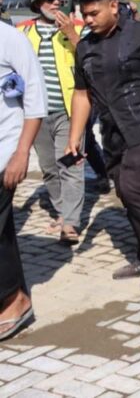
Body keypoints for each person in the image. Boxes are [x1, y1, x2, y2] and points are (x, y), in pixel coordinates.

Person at [66, 0, 140, 290]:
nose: (87, 20)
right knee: (129, 195)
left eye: (93, 13)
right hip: (113, 134)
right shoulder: (85, 46)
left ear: (114, 6)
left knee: (134, 189)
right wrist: (75, 137)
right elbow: (82, 94)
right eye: (84, 14)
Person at [16, 0, 85, 244]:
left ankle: (70, 222)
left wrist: (71, 34)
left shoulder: (78, 28)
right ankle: (61, 210)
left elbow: (91, 59)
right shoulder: (23, 31)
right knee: (49, 167)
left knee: (70, 165)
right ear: (38, 3)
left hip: (70, 112)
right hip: (36, 115)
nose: (57, 2)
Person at [0, 23, 46, 341]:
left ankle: (14, 301)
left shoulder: (10, 39)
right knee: (3, 230)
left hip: (5, 150)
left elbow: (35, 98)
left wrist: (21, 153)